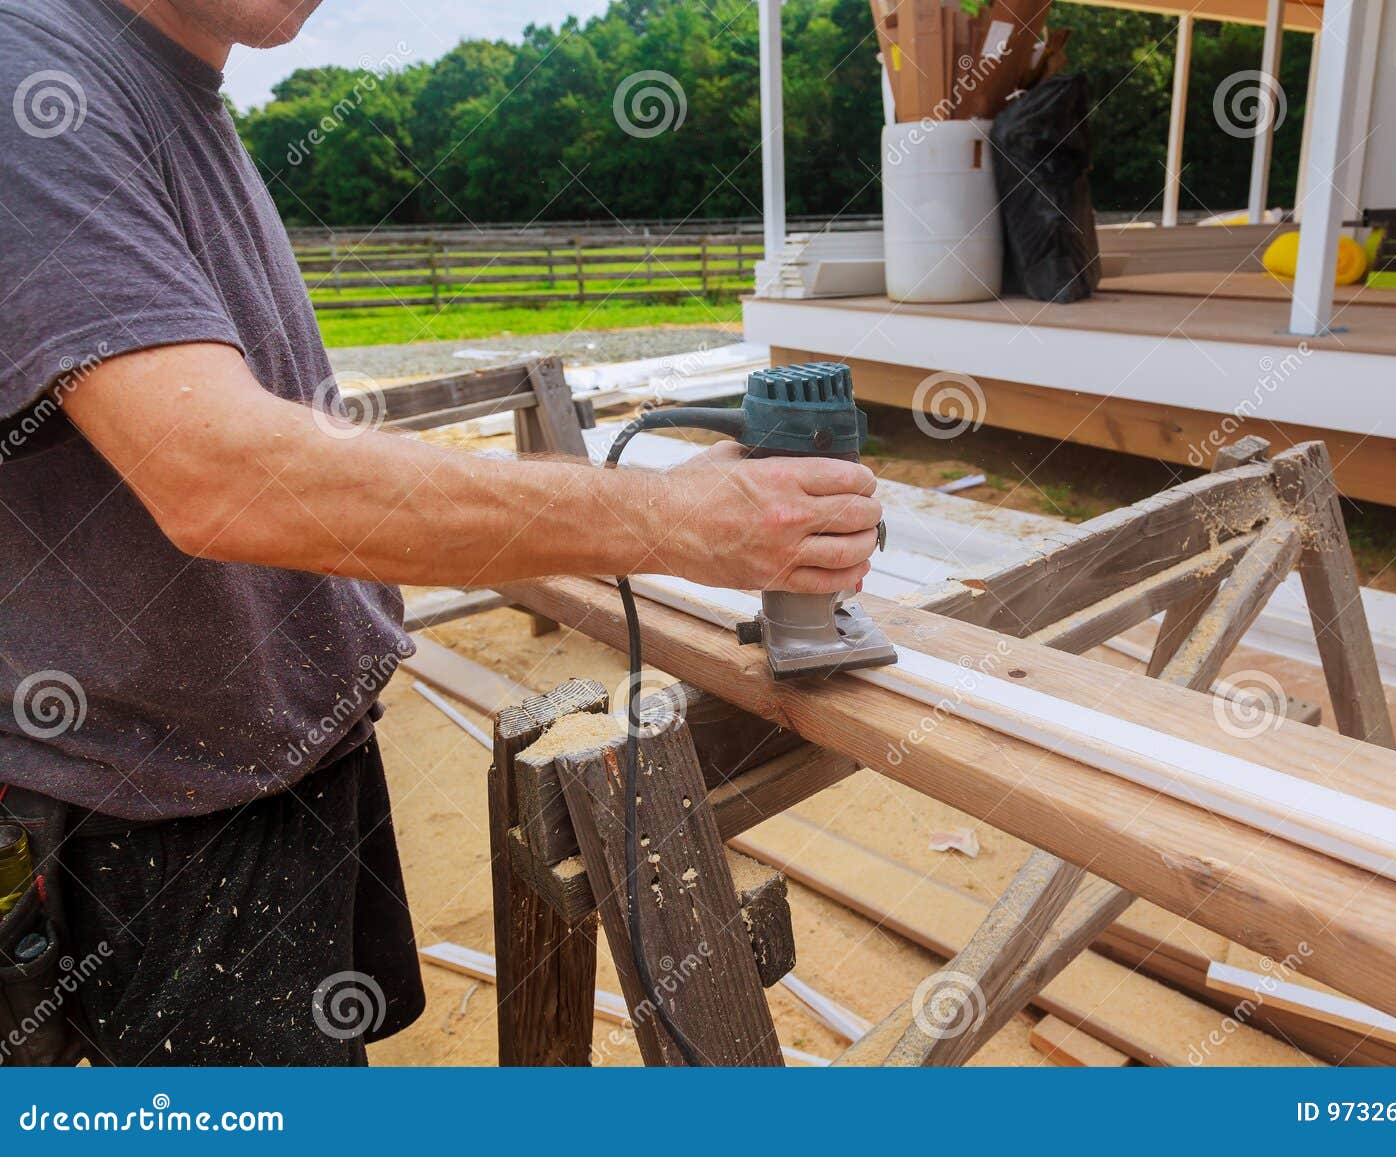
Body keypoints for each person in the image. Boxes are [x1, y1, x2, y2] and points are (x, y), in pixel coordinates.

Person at [0, 0, 881, 1065]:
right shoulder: (31, 74)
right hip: (131, 822)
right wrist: (671, 516)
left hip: (263, 774)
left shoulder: (176, 82)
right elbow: (221, 476)